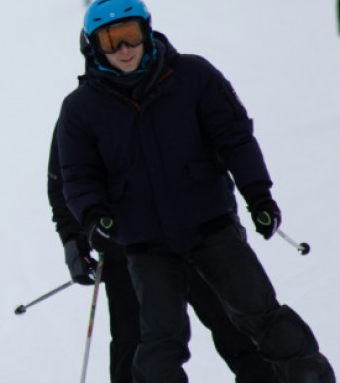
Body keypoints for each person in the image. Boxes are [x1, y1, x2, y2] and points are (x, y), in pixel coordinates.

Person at [55, 0, 335, 382]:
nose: (123, 49)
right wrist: (90, 220)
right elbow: (74, 176)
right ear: (93, 47)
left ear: (147, 31)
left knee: (257, 319)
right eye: (109, 41)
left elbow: (235, 137)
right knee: (156, 349)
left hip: (211, 228)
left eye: (130, 35)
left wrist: (258, 195)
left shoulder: (192, 76)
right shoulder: (81, 108)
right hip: (145, 246)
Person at [48, 123, 277, 382]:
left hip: (196, 231)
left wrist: (242, 204)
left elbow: (227, 143)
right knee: (137, 341)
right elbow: (63, 182)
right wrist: (73, 242)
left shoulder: (178, 86)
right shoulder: (82, 108)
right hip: (125, 243)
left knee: (233, 323)